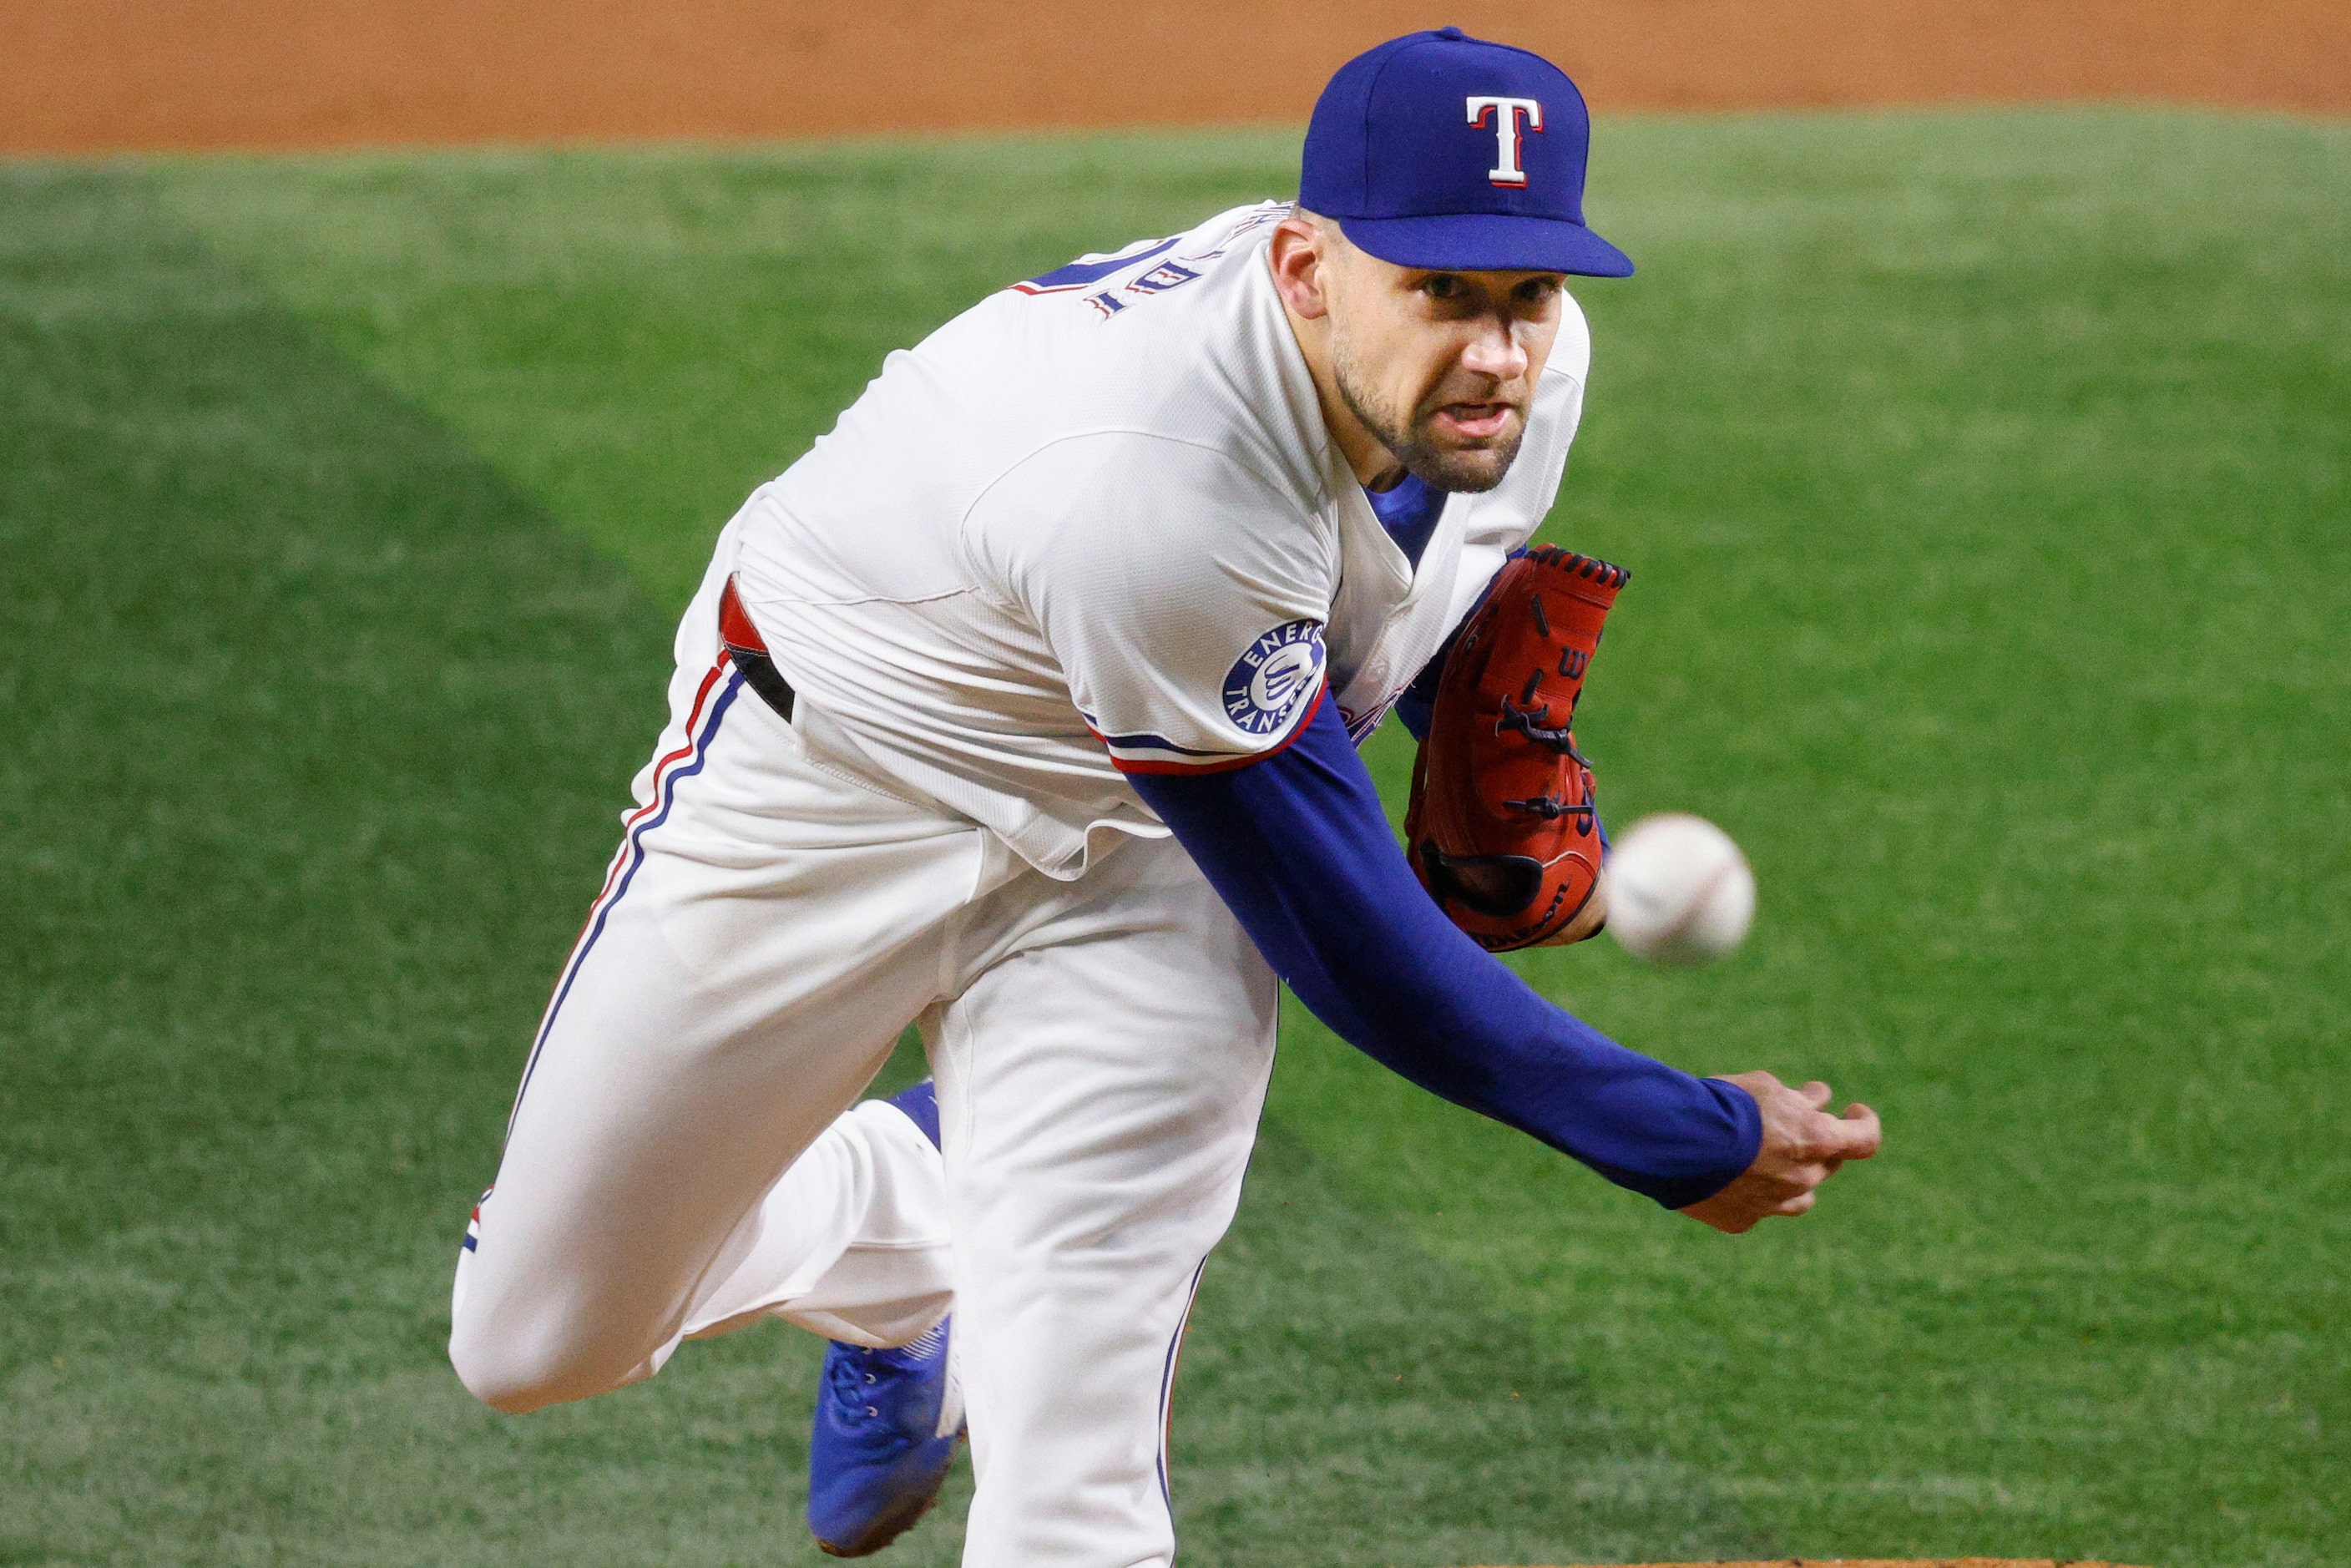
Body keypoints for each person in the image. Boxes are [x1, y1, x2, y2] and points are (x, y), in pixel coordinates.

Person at [446, 26, 1882, 1565]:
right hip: (834, 785)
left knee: (1073, 1488)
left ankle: (996, 1215)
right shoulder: (1151, 475)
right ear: (1304, 266)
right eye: (1442, 292)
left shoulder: (1528, 376)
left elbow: (1339, 643)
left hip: (1153, 848)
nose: (1497, 350)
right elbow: (1361, 948)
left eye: (1528, 293)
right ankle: (924, 1226)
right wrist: (1680, 1132)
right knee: (534, 1343)